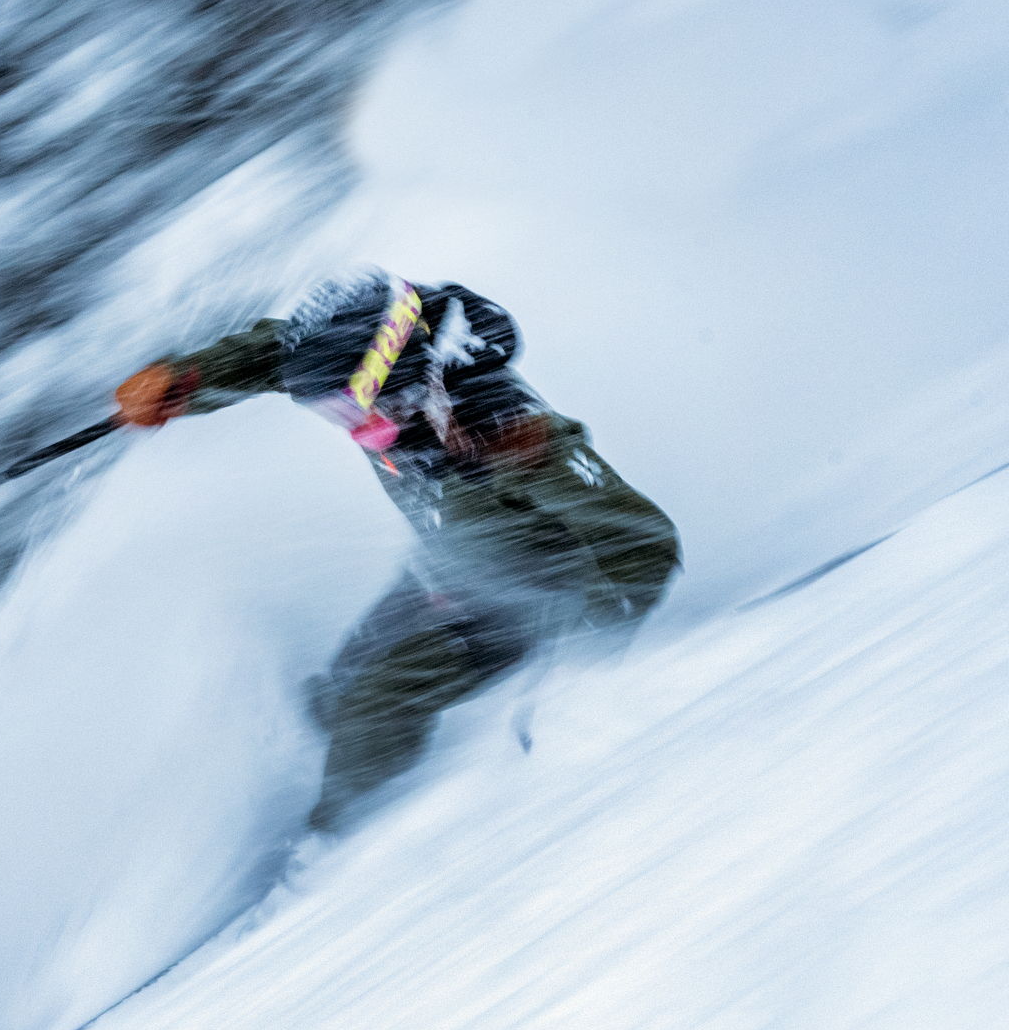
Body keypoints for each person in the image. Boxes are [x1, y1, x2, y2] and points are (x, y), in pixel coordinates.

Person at [114, 271, 679, 831]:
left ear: (409, 379)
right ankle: (323, 782)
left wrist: (581, 663)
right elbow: (277, 351)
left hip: (527, 597)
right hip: (450, 569)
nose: (354, 425)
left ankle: (338, 846)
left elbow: (642, 544)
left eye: (354, 405)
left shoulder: (510, 436)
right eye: (334, 408)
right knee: (334, 695)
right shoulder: (389, 375)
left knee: (376, 702)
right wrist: (183, 381)